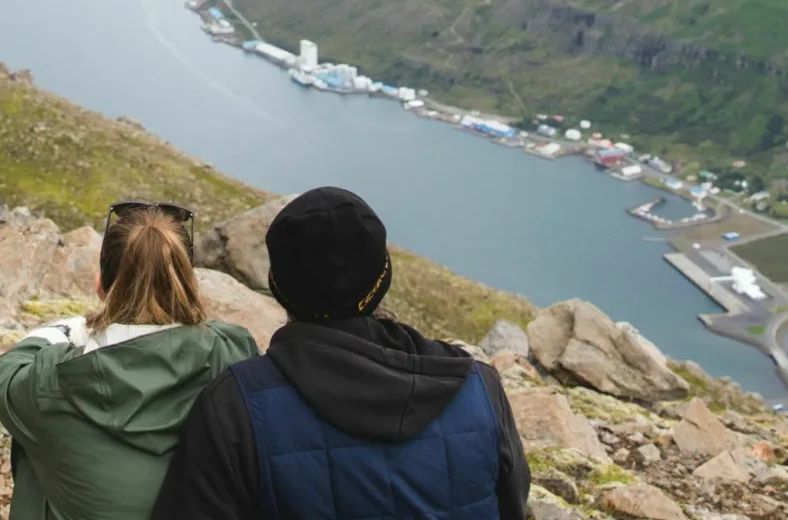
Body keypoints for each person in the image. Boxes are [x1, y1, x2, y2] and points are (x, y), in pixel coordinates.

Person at [152, 187, 530, 520]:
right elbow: (511, 507)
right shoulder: (480, 388)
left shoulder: (233, 407)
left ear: (278, 289)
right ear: (384, 278)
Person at [0, 199, 260, 520]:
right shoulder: (233, 353)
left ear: (101, 284)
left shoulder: (47, 380)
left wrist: (78, 328)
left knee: (33, 442)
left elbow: (4, 375)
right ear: (188, 284)